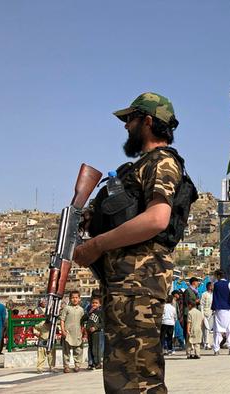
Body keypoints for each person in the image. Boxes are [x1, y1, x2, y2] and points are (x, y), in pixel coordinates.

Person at [72, 92, 185, 393]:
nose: (125, 127)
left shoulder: (162, 162)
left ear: (147, 121)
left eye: (130, 119)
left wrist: (97, 246)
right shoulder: (136, 169)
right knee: (123, 376)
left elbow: (157, 219)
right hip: (126, 284)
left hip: (138, 284)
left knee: (138, 378)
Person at [211, 270, 230, 355]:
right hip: (228, 310)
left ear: (218, 276)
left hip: (218, 310)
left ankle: (216, 350)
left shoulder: (215, 285)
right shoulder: (229, 284)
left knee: (217, 330)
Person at [60, 291, 85, 373]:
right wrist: (63, 330)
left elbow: (83, 322)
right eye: (73, 297)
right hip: (68, 332)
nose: (75, 299)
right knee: (66, 350)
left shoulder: (81, 310)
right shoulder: (66, 308)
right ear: (70, 299)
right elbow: (62, 320)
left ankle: (77, 365)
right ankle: (66, 366)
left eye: (76, 297)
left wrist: (83, 332)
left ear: (79, 299)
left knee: (78, 350)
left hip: (77, 332)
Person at [83, 296, 104, 369]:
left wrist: (96, 327)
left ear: (100, 304)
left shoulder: (100, 312)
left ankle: (98, 363)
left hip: (97, 333)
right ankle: (91, 363)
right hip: (89, 333)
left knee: (96, 348)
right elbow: (83, 318)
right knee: (90, 348)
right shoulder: (90, 312)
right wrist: (89, 313)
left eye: (96, 303)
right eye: (93, 303)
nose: (94, 304)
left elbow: (103, 323)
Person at [183, 277, 200, 357]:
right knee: (188, 331)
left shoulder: (195, 291)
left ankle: (195, 350)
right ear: (193, 282)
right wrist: (194, 302)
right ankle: (189, 351)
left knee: (195, 330)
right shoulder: (188, 291)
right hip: (188, 312)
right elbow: (186, 302)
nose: (198, 284)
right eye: (197, 282)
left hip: (195, 312)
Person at [199, 282, 213, 350]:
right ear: (208, 286)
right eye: (211, 286)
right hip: (204, 313)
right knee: (206, 328)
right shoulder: (204, 294)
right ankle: (207, 344)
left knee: (208, 329)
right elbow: (201, 305)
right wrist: (202, 315)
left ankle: (205, 343)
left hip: (211, 314)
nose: (212, 287)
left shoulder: (213, 295)